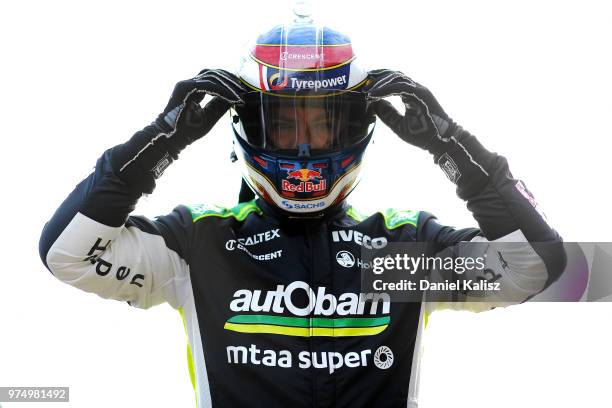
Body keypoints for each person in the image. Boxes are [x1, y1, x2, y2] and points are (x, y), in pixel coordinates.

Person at [39, 17, 565, 408]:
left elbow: (538, 268)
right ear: (252, 128)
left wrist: (453, 148)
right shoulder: (200, 242)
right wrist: (160, 141)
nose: (307, 148)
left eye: (323, 125)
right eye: (286, 124)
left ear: (354, 129)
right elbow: (68, 254)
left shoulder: (402, 250)